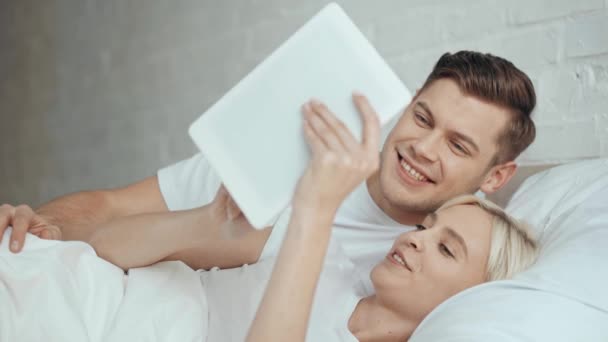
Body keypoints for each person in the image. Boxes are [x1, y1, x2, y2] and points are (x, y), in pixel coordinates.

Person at [0, 51, 537, 295]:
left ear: (495, 178)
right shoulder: (281, 159)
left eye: (458, 145)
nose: (421, 147)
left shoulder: (423, 270)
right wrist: (35, 225)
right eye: (422, 117)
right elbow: (109, 207)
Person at [81, 99, 538, 341]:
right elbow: (102, 246)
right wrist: (204, 222)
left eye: (445, 247)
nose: (415, 240)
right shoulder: (323, 256)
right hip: (84, 302)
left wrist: (313, 212)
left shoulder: (310, 229)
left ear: (472, 299)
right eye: (425, 228)